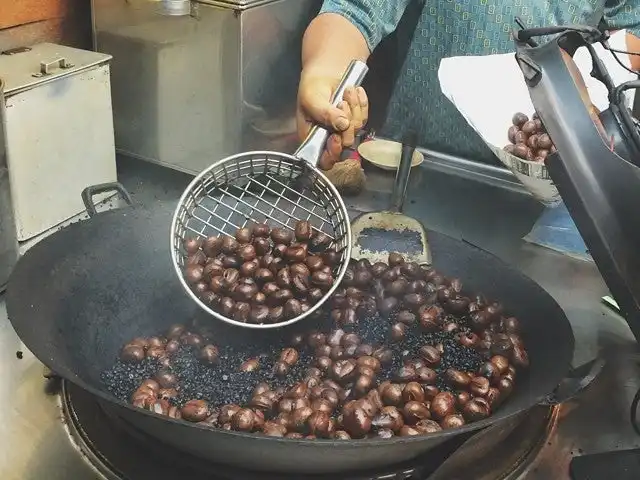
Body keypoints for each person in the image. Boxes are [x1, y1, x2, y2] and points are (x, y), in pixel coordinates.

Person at [297, 0, 640, 192]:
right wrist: (325, 73)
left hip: (552, 189)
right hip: (413, 172)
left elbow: (633, 31)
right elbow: (355, 11)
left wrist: (584, 78)